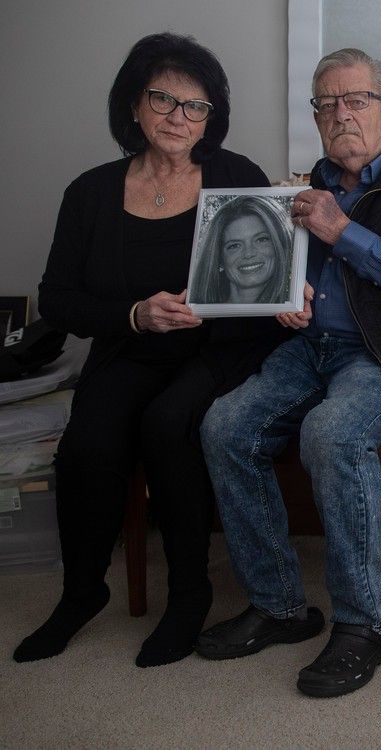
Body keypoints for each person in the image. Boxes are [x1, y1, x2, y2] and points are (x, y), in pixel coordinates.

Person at [195, 48, 381, 698]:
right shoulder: (306, 186)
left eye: (354, 101)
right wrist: (287, 294)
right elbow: (296, 274)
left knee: (331, 433)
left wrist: (344, 231)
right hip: (313, 352)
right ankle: (280, 606)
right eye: (326, 104)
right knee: (224, 426)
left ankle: (364, 626)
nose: (340, 114)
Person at [13, 33, 285, 669]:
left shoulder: (236, 177)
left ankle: (188, 594)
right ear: (133, 105)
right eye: (163, 99)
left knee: (170, 426)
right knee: (86, 444)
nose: (178, 118)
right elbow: (55, 299)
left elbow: (268, 269)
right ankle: (81, 592)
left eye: (196, 106)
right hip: (128, 349)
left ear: (210, 117)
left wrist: (287, 291)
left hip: (217, 352)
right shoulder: (90, 192)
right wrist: (134, 314)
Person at [190, 196, 293, 304]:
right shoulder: (199, 313)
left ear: (279, 244)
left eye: (261, 239)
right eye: (234, 246)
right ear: (219, 258)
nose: (248, 254)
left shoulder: (292, 307)